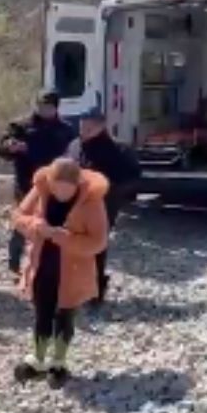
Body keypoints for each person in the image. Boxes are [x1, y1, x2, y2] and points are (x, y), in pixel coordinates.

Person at [11, 159, 109, 388]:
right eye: (56, 187)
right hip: (42, 263)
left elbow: (98, 242)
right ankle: (38, 360)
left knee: (64, 315)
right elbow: (17, 217)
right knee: (42, 312)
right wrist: (36, 226)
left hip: (73, 270)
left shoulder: (92, 201)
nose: (60, 192)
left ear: (77, 185)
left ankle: (59, 362)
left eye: (67, 188)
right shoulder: (42, 188)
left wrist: (66, 239)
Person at [63, 109, 142, 304]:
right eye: (82, 127)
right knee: (73, 246)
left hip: (103, 206)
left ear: (101, 126)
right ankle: (77, 287)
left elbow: (133, 177)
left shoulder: (118, 149)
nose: (84, 131)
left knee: (95, 247)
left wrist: (110, 189)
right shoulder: (74, 146)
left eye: (89, 127)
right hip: (74, 206)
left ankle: (96, 290)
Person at [0, 88, 77, 276]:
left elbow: (71, 155)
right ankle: (14, 264)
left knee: (52, 225)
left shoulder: (66, 130)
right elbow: (2, 149)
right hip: (26, 185)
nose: (44, 109)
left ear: (56, 107)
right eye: (41, 105)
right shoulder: (20, 126)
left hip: (57, 188)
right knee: (22, 224)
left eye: (48, 106)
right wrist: (11, 147)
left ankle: (47, 265)